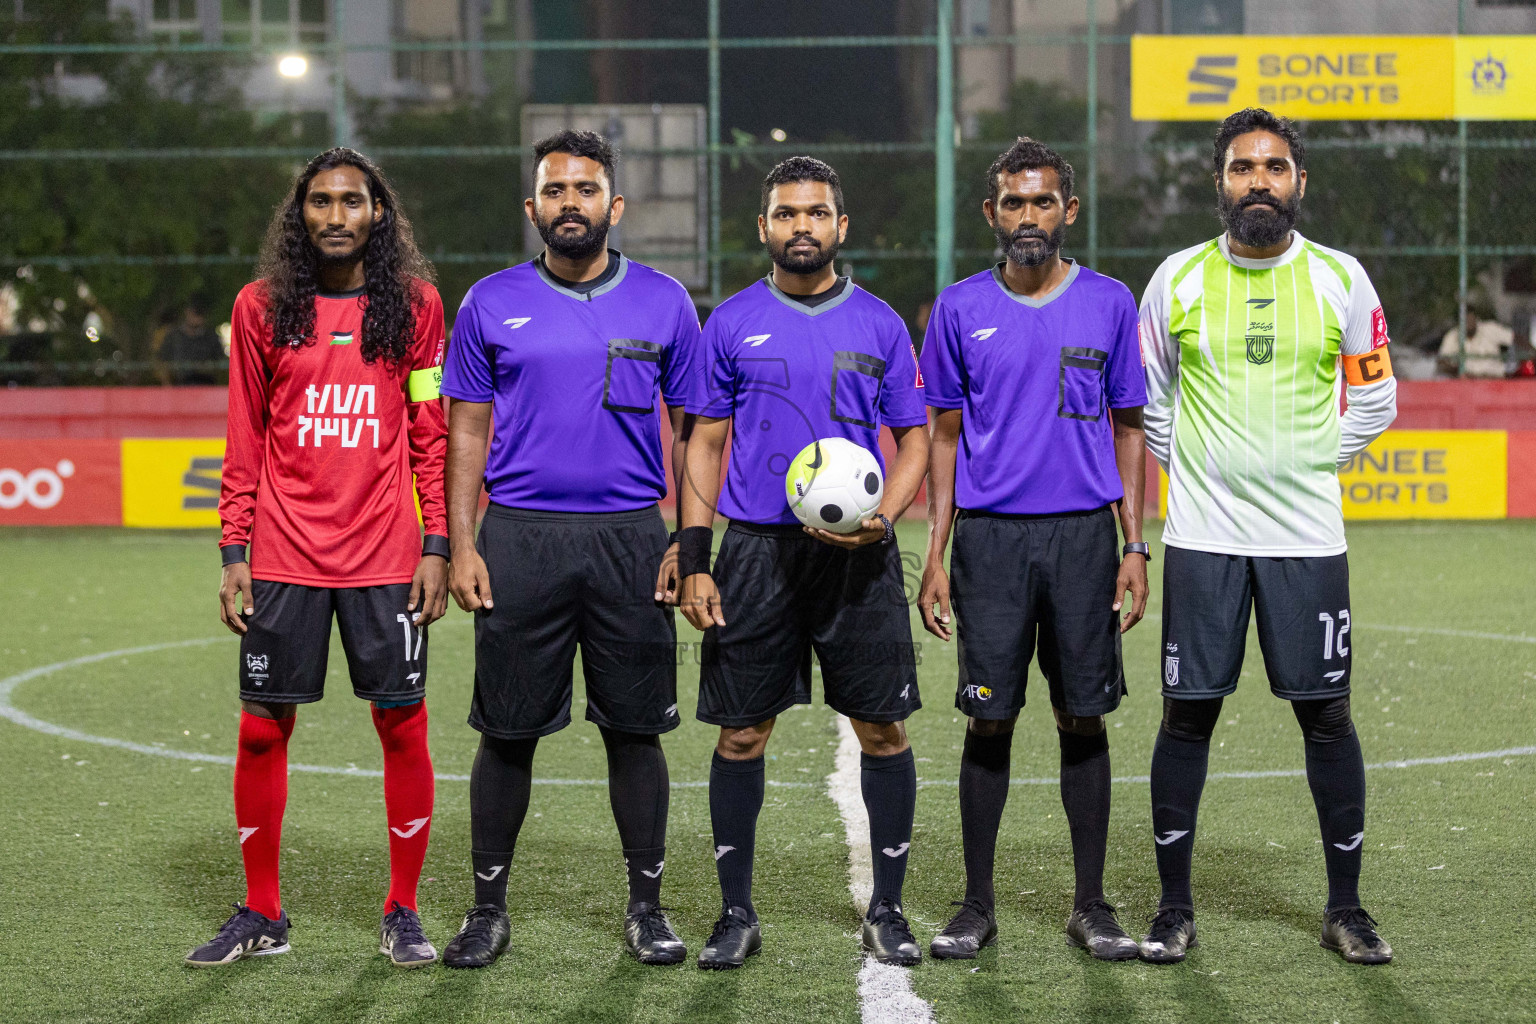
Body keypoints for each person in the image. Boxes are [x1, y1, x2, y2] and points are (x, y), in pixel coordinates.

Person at [1138, 108, 1397, 965]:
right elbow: (1152, 402)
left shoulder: (1342, 280)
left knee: (1327, 719)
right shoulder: (1174, 279)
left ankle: (1346, 909)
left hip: (1308, 542)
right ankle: (1174, 909)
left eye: (1275, 168)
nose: (1259, 181)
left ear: (1298, 183)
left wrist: (1309, 463)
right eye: (1243, 167)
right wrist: (1207, 474)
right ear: (1220, 182)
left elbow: (1376, 399)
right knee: (1187, 718)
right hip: (1204, 539)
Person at [438, 129, 699, 969]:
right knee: (507, 733)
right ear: (533, 209)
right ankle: (486, 910)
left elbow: (696, 433)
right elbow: (465, 431)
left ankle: (648, 908)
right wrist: (465, 541)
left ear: (613, 206)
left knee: (634, 731)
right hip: (518, 537)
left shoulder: (664, 300)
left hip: (631, 538)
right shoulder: (489, 301)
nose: (570, 205)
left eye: (585, 190)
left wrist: (687, 545)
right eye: (555, 191)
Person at [190, 148, 449, 969]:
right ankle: (261, 911)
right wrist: (235, 547)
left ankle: (402, 909)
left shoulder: (414, 307)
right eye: (320, 202)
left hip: (385, 558)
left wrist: (436, 542)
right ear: (300, 215)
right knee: (261, 730)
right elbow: (243, 435)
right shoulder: (262, 308)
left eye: (353, 201)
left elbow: (429, 434)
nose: (336, 215)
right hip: (285, 557)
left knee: (401, 724)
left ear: (380, 212)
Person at [676, 156, 931, 969]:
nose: (801, 227)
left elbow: (917, 438)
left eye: (816, 213)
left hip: (860, 556)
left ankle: (888, 910)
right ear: (765, 228)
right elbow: (704, 444)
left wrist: (885, 517)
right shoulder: (731, 322)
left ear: (840, 227)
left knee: (883, 731)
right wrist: (696, 558)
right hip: (754, 552)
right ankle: (736, 913)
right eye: (786, 214)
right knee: (741, 736)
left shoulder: (882, 324)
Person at [917, 137, 1149, 962]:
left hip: (1087, 538)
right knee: (992, 718)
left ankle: (1091, 904)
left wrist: (1134, 544)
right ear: (992, 214)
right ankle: (976, 903)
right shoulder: (955, 309)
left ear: (1068, 211)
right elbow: (943, 437)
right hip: (990, 543)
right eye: (1013, 204)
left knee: (1081, 714)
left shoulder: (1112, 303)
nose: (1028, 217)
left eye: (1042, 202)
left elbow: (1131, 428)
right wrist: (936, 552)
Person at [156, 300, 226, 385]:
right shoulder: (173, 337)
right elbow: (161, 362)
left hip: (206, 386)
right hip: (178, 387)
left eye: (200, 313)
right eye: (195, 313)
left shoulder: (211, 337)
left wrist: (206, 368)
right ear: (187, 312)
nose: (197, 318)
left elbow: (221, 364)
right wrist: (167, 385)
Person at [1437, 309, 1513, 378]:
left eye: (1471, 319)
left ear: (1476, 319)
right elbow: (1442, 361)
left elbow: (1515, 339)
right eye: (1466, 320)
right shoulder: (1452, 336)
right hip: (1468, 384)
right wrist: (1457, 371)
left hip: (1495, 381)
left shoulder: (1490, 329)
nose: (1469, 323)